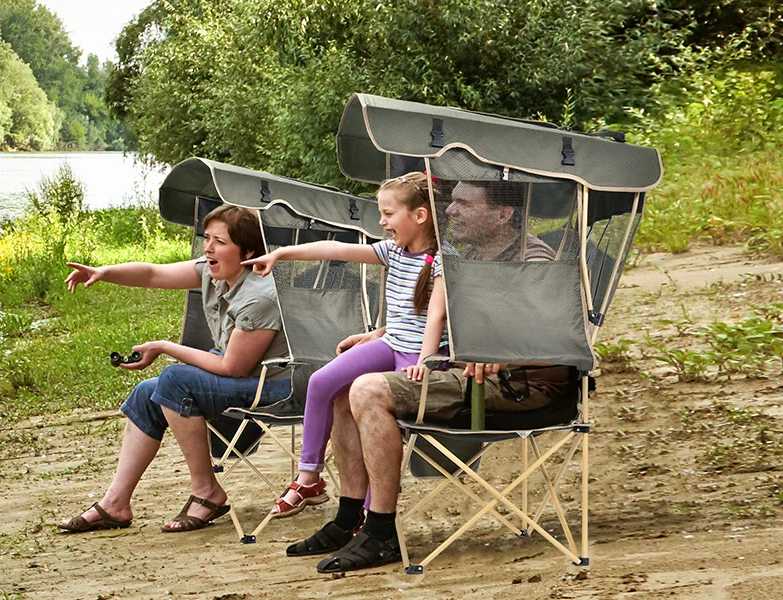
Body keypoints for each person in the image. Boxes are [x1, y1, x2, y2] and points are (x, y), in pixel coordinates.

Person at [286, 180, 566, 574]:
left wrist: (501, 356)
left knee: (368, 389)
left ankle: (381, 529)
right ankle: (350, 518)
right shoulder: (465, 255)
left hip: (519, 386)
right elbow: (436, 314)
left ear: (503, 214)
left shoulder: (532, 260)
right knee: (342, 389)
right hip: (465, 372)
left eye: (463, 204)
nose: (448, 212)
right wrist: (382, 333)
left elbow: (554, 331)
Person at [56, 204, 291, 534]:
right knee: (146, 393)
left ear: (248, 251)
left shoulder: (259, 295)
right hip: (243, 377)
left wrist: (164, 347)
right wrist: (104, 272)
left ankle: (207, 492)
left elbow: (232, 367)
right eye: (207, 238)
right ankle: (116, 504)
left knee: (174, 379)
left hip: (277, 385)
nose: (208, 248)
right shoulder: (214, 272)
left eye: (220, 242)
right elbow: (153, 274)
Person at [241, 172, 448, 520]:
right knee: (322, 382)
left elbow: (436, 319)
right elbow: (336, 249)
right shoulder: (392, 252)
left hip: (417, 355)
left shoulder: (443, 259)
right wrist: (283, 254)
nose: (381, 223)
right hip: (392, 344)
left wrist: (426, 362)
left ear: (420, 216)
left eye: (387, 214)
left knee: (382, 421)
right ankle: (308, 476)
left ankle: (371, 512)